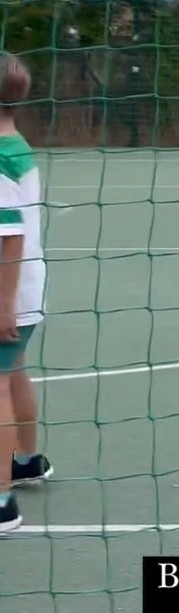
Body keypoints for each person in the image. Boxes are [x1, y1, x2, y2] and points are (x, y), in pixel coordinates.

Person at [0, 53, 50, 536]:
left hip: (7, 287)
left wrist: (2, 303)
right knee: (13, 371)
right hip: (26, 284)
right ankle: (27, 461)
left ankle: (1, 503)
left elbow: (8, 234)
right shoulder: (17, 145)